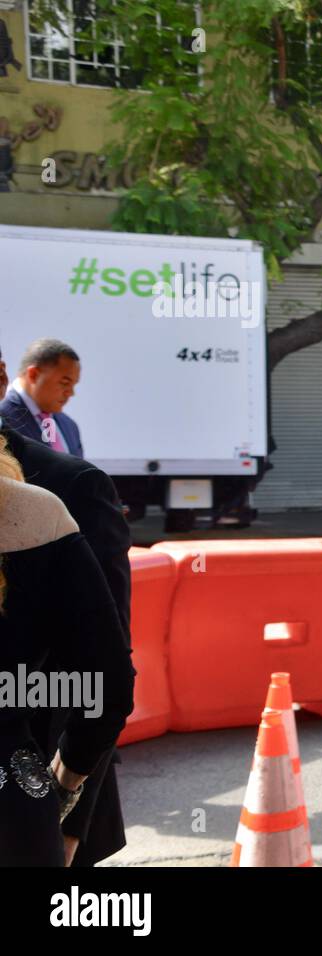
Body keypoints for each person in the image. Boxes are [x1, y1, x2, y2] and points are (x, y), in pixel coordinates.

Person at [0, 348, 133, 866]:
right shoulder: (42, 505)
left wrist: (74, 815)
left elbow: (106, 662)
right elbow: (108, 680)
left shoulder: (71, 482)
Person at [0, 339, 83, 458]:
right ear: (33, 374)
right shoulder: (3, 417)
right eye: (65, 382)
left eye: (74, 384)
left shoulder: (70, 426)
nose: (71, 392)